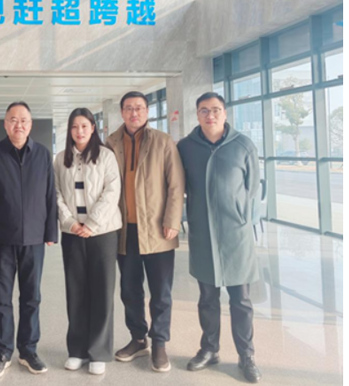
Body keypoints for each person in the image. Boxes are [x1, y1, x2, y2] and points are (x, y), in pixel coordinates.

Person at [177, 92, 262, 383]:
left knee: (241, 300)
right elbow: (179, 185)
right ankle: (209, 349)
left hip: (236, 234)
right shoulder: (186, 147)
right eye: (204, 110)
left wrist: (240, 215)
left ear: (225, 113)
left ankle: (246, 356)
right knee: (207, 298)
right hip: (203, 234)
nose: (210, 115)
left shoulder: (243, 145)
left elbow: (252, 187)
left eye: (215, 110)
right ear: (197, 115)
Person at [0, 101, 57, 378]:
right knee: (1, 298)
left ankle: (28, 350)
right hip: (1, 240)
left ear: (30, 124)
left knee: (32, 297)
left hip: (34, 238)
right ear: (5, 124)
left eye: (23, 120)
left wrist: (50, 232)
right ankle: (2, 352)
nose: (18, 125)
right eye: (13, 120)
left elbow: (50, 194)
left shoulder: (43, 155)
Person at [105, 91, 185, 373]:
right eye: (128, 108)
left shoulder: (163, 141)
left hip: (158, 229)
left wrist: (172, 220)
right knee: (130, 289)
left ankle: (160, 342)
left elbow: (176, 184)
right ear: (121, 112)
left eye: (139, 107)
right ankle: (138, 339)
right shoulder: (111, 143)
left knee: (161, 291)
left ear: (147, 111)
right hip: (123, 230)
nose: (134, 113)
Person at [53, 108, 122, 376]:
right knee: (76, 291)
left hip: (102, 233)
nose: (79, 131)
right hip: (72, 234)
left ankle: (99, 351)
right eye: (74, 127)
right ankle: (77, 350)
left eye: (84, 126)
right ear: (69, 130)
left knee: (102, 291)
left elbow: (112, 191)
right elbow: (55, 194)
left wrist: (92, 224)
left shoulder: (106, 156)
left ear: (93, 128)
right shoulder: (61, 159)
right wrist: (70, 222)